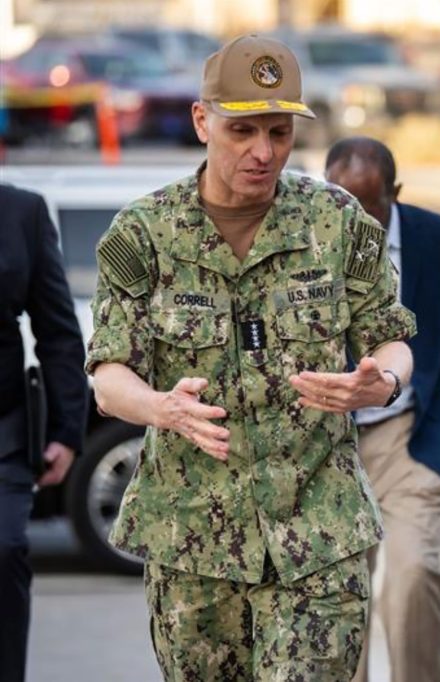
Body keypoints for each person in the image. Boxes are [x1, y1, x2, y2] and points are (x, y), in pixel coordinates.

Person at [86, 35, 416, 680]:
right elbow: (108, 374)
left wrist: (381, 383)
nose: (263, 152)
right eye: (243, 130)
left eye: (279, 131)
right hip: (192, 546)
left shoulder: (336, 220)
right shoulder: (144, 233)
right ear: (203, 121)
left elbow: (391, 336)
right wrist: (161, 408)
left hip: (319, 533)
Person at [324, 137, 440, 682]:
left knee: (413, 573)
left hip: (409, 436)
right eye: (339, 200)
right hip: (328, 448)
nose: (351, 217)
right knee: (340, 597)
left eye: (366, 204)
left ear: (394, 195)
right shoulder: (303, 238)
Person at [0, 184, 88, 682]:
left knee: (5, 548)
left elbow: (57, 331)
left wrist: (67, 431)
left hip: (5, 429)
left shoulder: (22, 212)